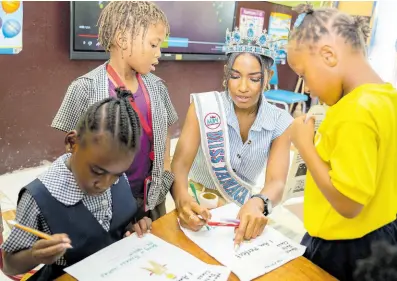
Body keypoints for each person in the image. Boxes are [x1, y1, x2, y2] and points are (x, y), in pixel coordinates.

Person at [287, 4, 397, 280]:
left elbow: (348, 204)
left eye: (304, 75)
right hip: (382, 234)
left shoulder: (355, 112)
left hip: (346, 247)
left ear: (328, 55)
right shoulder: (386, 99)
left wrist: (305, 147)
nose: (308, 88)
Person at [51, 1, 178, 232]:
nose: (159, 53)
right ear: (122, 39)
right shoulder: (84, 88)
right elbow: (71, 155)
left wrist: (165, 169)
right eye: (153, 44)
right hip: (100, 206)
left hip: (151, 199)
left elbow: (165, 130)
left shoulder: (158, 87)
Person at [1, 90, 148, 280]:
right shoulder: (38, 198)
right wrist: (35, 255)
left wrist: (135, 226)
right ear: (72, 143)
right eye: (97, 171)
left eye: (117, 174)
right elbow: (10, 265)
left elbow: (114, 224)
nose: (105, 184)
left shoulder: (115, 174)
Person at [171, 27, 293, 249]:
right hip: (197, 204)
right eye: (235, 76)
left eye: (254, 79)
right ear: (226, 74)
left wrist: (259, 203)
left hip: (242, 211)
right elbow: (179, 164)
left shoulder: (280, 121)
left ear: (268, 78)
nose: (243, 87)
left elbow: (276, 182)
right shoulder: (204, 107)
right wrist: (182, 200)